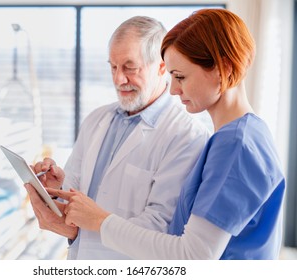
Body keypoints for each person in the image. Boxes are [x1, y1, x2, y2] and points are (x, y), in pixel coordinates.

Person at [48, 9, 286, 260]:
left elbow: (194, 255)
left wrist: (100, 221)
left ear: (222, 68)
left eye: (180, 77)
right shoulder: (235, 137)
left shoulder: (236, 144)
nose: (172, 90)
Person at [25, 16, 210, 259]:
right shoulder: (96, 120)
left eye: (130, 68)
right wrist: (57, 188)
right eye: (113, 67)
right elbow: (76, 194)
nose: (118, 79)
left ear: (162, 67)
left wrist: (80, 230)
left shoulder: (186, 136)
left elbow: (161, 227)